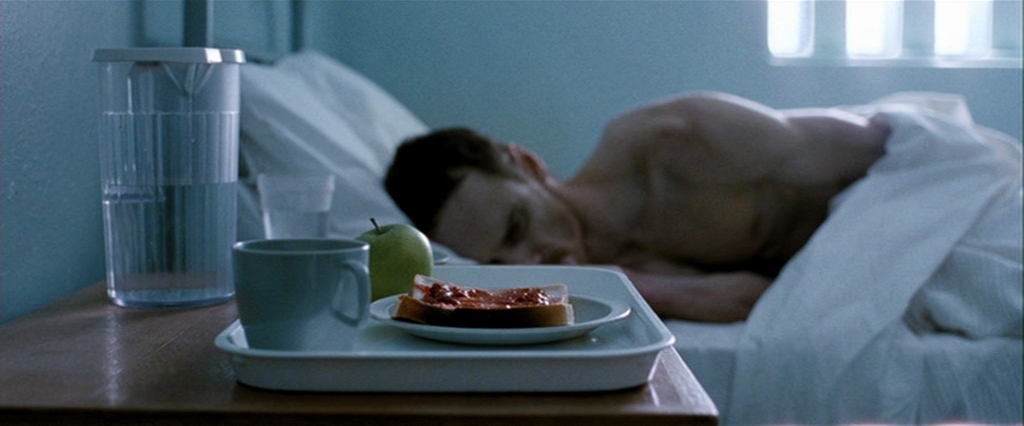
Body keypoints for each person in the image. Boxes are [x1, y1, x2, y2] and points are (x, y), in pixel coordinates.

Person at [384, 92, 892, 322]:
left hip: (902, 184)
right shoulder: (616, 269)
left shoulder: (669, 143)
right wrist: (615, 278)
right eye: (501, 261)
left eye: (517, 224)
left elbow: (874, 144)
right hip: (866, 262)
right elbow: (755, 300)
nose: (530, 261)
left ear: (530, 166)